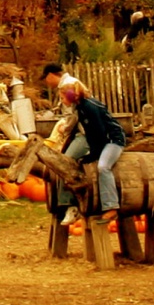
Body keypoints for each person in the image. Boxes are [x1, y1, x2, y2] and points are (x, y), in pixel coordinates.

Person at [41, 67, 124, 226]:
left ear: (71, 96)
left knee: (103, 167)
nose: (61, 101)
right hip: (96, 139)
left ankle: (110, 206)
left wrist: (93, 154)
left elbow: (99, 133)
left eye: (62, 98)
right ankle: (66, 204)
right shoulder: (81, 106)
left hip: (112, 140)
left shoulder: (88, 106)